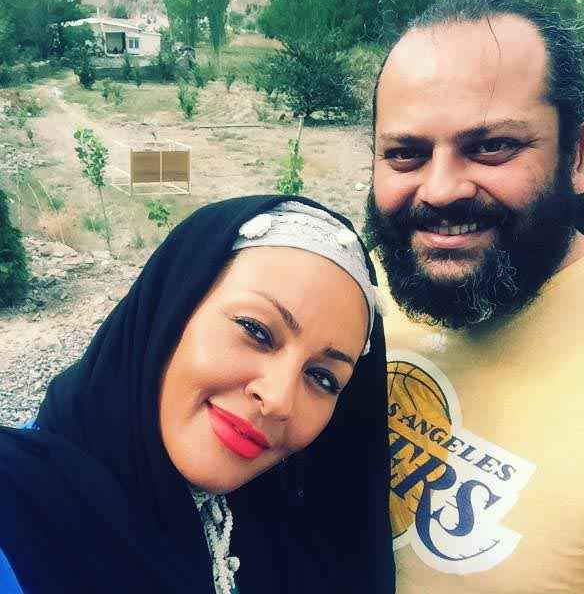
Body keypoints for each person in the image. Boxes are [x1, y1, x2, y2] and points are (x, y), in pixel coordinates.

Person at [0, 195, 395, 594]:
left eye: (323, 378)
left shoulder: (281, 529)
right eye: (256, 331)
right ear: (170, 308)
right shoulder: (16, 502)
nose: (279, 400)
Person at [364, 0, 584, 592]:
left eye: (492, 146)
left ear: (576, 156)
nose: (440, 190)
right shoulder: (346, 297)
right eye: (406, 154)